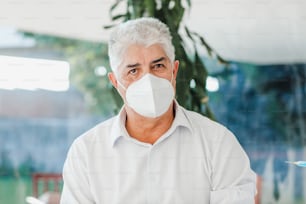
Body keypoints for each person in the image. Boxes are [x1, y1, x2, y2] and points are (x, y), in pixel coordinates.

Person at [60, 17, 257, 204]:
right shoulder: (86, 152)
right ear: (115, 82)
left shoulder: (218, 144)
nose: (148, 80)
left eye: (158, 66)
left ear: (174, 70)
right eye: (133, 71)